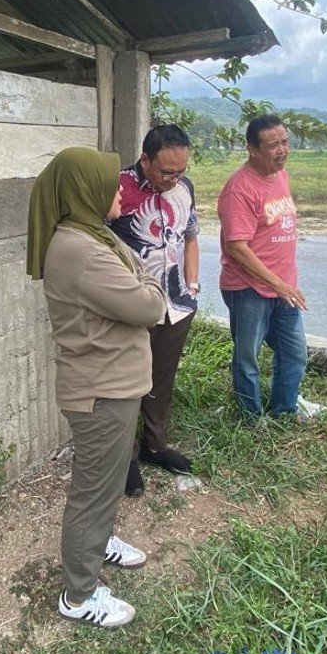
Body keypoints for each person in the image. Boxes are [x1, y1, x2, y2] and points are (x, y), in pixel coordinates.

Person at [26, 146, 166, 629]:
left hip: (114, 384)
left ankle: (99, 542)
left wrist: (143, 280)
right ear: (86, 191)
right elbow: (150, 304)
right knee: (92, 489)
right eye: (111, 183)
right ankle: (78, 594)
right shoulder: (80, 250)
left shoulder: (95, 235)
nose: (121, 190)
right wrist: (146, 282)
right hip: (101, 391)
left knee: (105, 483)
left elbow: (144, 278)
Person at [108, 124, 199, 496]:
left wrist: (192, 287)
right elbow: (97, 247)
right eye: (165, 172)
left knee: (162, 380)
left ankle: (155, 445)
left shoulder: (184, 189)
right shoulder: (116, 188)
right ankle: (125, 459)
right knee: (127, 385)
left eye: (180, 171)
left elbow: (191, 235)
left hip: (176, 305)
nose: (173, 179)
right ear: (145, 159)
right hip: (132, 308)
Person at [217, 115, 308, 418]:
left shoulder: (280, 176)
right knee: (248, 358)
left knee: (294, 353)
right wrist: (277, 284)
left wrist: (285, 284)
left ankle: (284, 411)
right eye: (273, 145)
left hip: (283, 287)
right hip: (249, 289)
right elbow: (236, 247)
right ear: (252, 149)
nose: (282, 150)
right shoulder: (239, 189)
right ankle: (250, 419)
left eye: (285, 142)